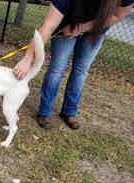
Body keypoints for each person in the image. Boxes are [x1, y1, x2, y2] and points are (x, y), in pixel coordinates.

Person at [13, 0, 134, 129]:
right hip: (67, 24)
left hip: (96, 29)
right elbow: (48, 25)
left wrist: (81, 28)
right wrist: (28, 58)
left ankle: (69, 112)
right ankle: (44, 112)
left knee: (81, 70)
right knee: (56, 69)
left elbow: (116, 16)